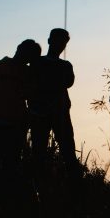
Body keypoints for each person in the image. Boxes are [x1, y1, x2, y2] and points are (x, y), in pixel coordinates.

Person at [0, 39, 41, 178]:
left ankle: (7, 195)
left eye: (31, 56)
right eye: (26, 52)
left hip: (16, 127)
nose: (26, 57)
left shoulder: (29, 73)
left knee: (12, 166)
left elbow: (33, 95)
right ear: (19, 48)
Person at [29, 28, 80, 183]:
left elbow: (69, 82)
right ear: (50, 41)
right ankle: (38, 185)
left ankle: (75, 185)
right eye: (58, 41)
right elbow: (31, 83)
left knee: (68, 152)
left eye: (63, 42)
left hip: (60, 113)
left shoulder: (65, 65)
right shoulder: (37, 62)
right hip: (39, 113)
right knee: (38, 152)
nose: (60, 45)